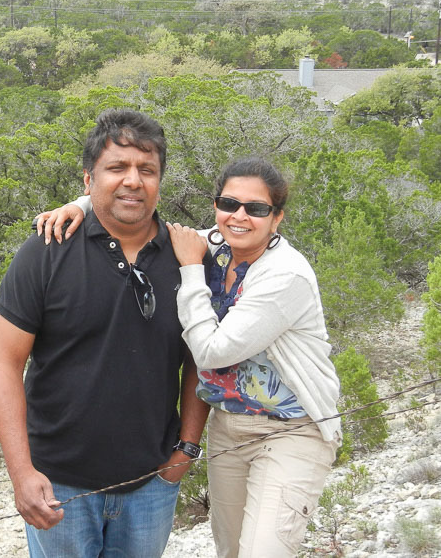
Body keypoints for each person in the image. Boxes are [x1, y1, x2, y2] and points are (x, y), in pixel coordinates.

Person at [39, 157, 341, 558]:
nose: (240, 216)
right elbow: (136, 218)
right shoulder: (214, 244)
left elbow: (211, 353)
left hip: (292, 432)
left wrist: (190, 269)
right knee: (231, 549)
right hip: (230, 428)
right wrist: (81, 205)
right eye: (228, 203)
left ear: (277, 218)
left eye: (257, 209)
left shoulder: (285, 275)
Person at [0, 108, 209, 558]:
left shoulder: (189, 257)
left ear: (160, 181)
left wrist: (185, 450)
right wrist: (21, 473)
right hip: (59, 484)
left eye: (147, 170)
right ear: (88, 181)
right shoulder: (45, 252)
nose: (133, 180)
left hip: (151, 482)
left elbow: (200, 361)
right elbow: (4, 365)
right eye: (117, 168)